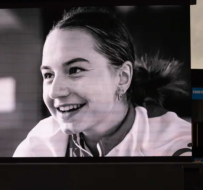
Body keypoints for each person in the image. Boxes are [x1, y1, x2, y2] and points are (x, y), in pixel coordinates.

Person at [13, 7, 192, 158]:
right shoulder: (39, 146)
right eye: (48, 75)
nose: (54, 92)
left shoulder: (177, 146)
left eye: (75, 70)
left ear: (122, 77)